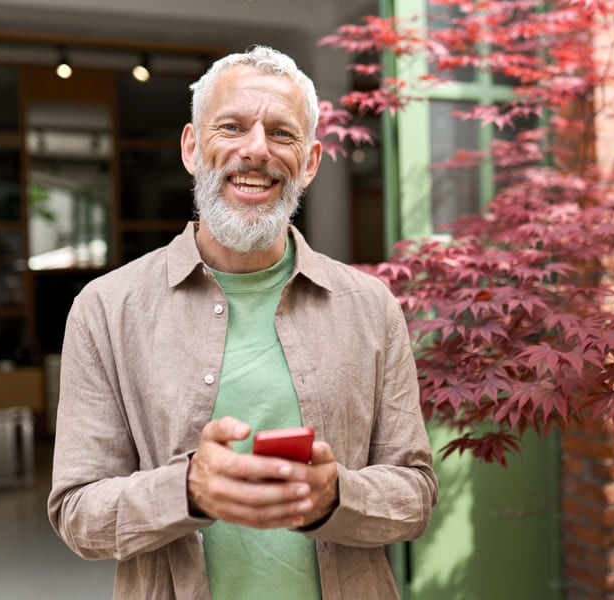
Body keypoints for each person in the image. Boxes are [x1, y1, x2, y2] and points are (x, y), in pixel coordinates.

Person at [47, 45, 438, 600]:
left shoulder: (370, 306)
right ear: (191, 147)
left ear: (309, 161)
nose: (256, 151)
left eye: (282, 133)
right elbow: (77, 513)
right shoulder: (107, 309)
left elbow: (415, 495)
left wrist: (336, 497)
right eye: (231, 126)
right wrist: (187, 490)